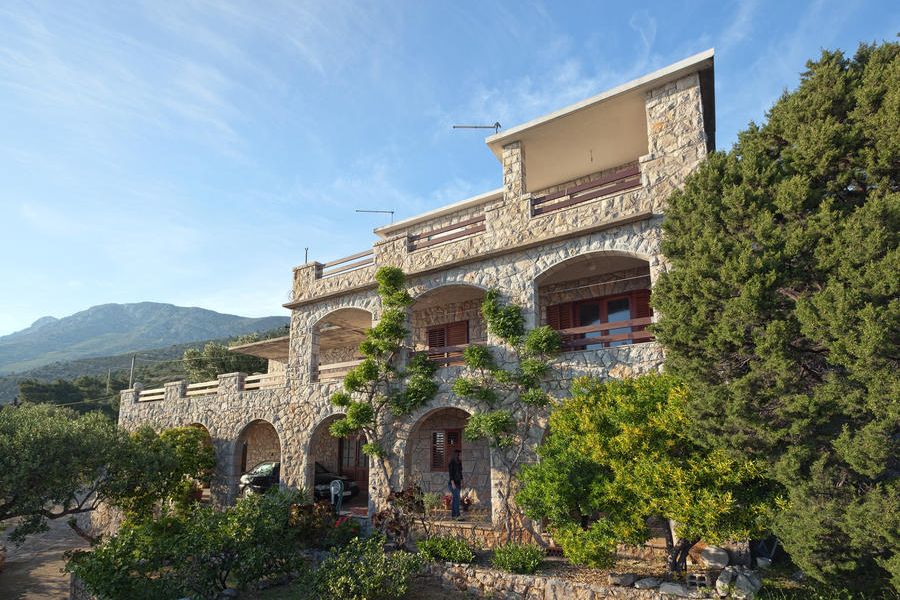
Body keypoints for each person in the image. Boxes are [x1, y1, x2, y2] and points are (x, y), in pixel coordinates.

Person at [448, 449, 464, 519]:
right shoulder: (451, 463)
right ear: (456, 455)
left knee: (455, 499)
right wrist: (453, 484)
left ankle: (454, 516)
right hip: (453, 484)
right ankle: (457, 515)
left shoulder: (459, 463)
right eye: (460, 455)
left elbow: (460, 474)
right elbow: (451, 474)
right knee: (456, 499)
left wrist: (462, 482)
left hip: (458, 483)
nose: (461, 456)